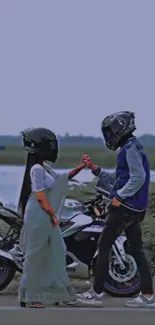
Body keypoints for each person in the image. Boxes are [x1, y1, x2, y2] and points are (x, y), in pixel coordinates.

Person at [77, 111, 155, 308]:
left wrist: (119, 197)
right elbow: (120, 178)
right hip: (136, 208)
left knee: (104, 246)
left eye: (110, 131)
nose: (109, 135)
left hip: (125, 208)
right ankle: (147, 295)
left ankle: (96, 292)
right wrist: (95, 169)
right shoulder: (131, 147)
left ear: (119, 128)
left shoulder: (130, 149)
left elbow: (138, 178)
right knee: (137, 249)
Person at [18, 127, 102, 308]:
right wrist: (53, 215)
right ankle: (29, 297)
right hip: (39, 216)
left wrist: (82, 166)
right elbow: (40, 196)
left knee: (57, 251)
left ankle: (61, 294)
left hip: (45, 215)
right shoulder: (36, 169)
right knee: (35, 255)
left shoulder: (45, 167)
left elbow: (62, 178)